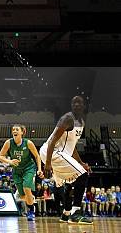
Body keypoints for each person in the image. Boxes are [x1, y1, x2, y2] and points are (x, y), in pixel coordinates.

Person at [40, 95, 92, 224]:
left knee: (69, 182)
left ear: (84, 106)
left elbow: (72, 146)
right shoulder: (67, 119)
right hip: (52, 152)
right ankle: (76, 213)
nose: (76, 105)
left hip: (61, 154)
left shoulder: (81, 122)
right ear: (71, 105)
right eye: (74, 103)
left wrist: (80, 162)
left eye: (79, 103)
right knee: (83, 174)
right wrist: (47, 164)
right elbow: (52, 141)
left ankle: (66, 213)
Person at [0, 124, 44, 221]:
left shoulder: (28, 143)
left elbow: (37, 156)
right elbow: (0, 156)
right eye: (13, 129)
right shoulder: (8, 143)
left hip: (28, 168)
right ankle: (31, 200)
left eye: (17, 129)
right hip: (17, 170)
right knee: (23, 196)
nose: (14, 131)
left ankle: (31, 211)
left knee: (27, 187)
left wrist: (39, 169)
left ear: (22, 132)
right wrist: (10, 161)